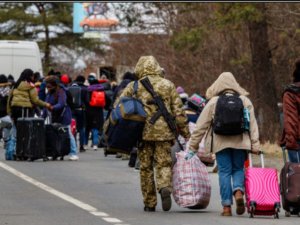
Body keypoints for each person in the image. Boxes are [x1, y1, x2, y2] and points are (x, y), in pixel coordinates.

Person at [117, 56, 190, 212]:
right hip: (164, 134)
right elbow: (179, 111)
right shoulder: (168, 85)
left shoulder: (133, 86)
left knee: (146, 168)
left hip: (141, 133)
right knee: (163, 164)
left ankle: (150, 203)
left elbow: (120, 107)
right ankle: (164, 187)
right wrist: (185, 132)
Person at [187, 72, 260, 217]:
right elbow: (253, 125)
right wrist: (255, 145)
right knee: (238, 168)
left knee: (224, 172)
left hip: (221, 142)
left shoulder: (213, 102)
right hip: (240, 141)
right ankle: (238, 191)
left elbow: (200, 126)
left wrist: (192, 147)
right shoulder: (245, 100)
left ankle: (226, 208)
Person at [7, 69, 52, 139]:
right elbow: (35, 101)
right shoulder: (31, 86)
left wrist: (10, 112)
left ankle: (17, 148)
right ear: (31, 76)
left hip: (14, 109)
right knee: (24, 131)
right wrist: (46, 104)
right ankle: (24, 148)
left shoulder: (16, 84)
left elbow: (9, 98)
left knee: (17, 131)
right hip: (24, 110)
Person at [42, 76, 79, 161]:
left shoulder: (61, 91)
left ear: (55, 86)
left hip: (64, 116)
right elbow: (45, 105)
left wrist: (53, 108)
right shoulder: (49, 93)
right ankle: (55, 152)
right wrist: (43, 117)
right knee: (54, 134)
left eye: (50, 87)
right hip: (54, 116)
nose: (48, 89)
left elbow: (61, 103)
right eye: (47, 87)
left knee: (68, 133)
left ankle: (73, 153)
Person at [280, 59, 300, 163]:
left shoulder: (291, 93)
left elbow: (291, 120)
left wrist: (291, 144)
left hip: (297, 140)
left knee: (297, 175)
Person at [85, 79, 111, 150]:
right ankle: (95, 145)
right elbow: (108, 100)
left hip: (89, 110)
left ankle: (85, 144)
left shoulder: (88, 90)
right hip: (99, 111)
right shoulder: (101, 91)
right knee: (96, 128)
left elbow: (85, 100)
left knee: (87, 128)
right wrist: (105, 107)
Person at [70, 75, 89, 152]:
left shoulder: (70, 88)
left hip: (72, 109)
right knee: (81, 128)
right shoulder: (85, 88)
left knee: (73, 127)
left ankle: (74, 144)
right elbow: (87, 101)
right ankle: (81, 146)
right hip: (81, 109)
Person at [0, 74, 12, 148]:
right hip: (6, 112)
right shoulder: (9, 89)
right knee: (7, 126)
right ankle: (6, 141)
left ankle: (5, 140)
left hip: (1, 111)